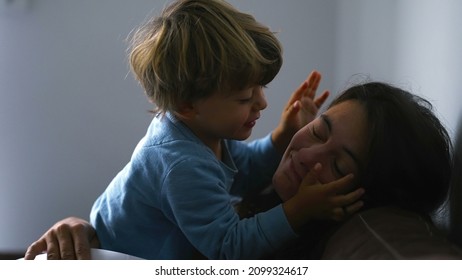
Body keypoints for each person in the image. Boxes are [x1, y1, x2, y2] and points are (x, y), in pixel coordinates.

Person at [24, 0, 364, 260]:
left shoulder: (200, 131)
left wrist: (281, 136)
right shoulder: (180, 163)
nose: (261, 103)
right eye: (245, 97)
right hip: (119, 261)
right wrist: (298, 210)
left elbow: (242, 170)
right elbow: (228, 248)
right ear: (188, 104)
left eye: (261, 89)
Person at [25, 80, 453, 260]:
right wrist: (84, 227)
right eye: (318, 130)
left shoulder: (285, 243)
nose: (305, 155)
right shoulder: (200, 160)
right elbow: (247, 169)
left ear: (365, 196)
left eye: (337, 164)